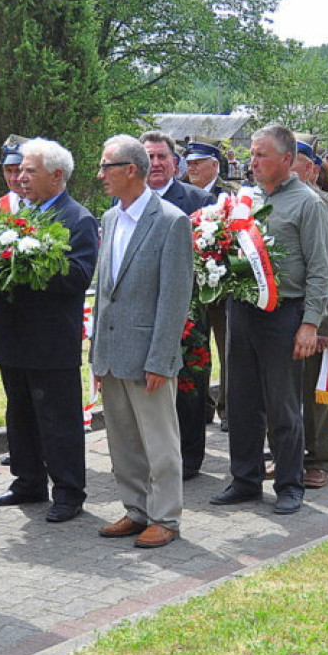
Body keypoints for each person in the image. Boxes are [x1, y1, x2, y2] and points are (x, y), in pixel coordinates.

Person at [212, 124, 328, 515]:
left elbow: (320, 270)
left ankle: (289, 483)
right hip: (241, 311)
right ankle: (245, 479)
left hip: (284, 314)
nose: (253, 162)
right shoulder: (246, 198)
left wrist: (311, 323)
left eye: (261, 155)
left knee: (283, 405)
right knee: (242, 401)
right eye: (251, 154)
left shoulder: (307, 204)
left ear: (286, 159)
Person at [0, 137, 98, 521]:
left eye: (30, 171)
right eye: (17, 170)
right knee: (20, 413)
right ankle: (27, 481)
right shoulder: (18, 213)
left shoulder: (78, 218)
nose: (20, 178)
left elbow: (80, 275)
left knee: (58, 419)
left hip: (50, 338)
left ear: (57, 176)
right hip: (14, 335)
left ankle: (68, 491)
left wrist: (33, 257)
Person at [91, 135, 193, 548]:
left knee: (159, 441)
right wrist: (97, 354)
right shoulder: (110, 218)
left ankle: (165, 516)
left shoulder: (170, 221)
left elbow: (174, 298)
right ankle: (135, 510)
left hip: (148, 354)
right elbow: (103, 292)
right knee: (123, 440)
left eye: (105, 167)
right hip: (113, 354)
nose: (100, 176)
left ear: (130, 170)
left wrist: (161, 358)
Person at [139, 130, 214, 481]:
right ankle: (148, 455)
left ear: (175, 163)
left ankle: (189, 457)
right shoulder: (126, 201)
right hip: (140, 310)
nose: (155, 163)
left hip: (188, 311)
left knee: (188, 384)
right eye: (148, 157)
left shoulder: (199, 201)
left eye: (161, 157)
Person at [291, 142, 328, 488]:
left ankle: (319, 458)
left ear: (312, 170)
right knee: (286, 392)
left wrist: (327, 324)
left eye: (295, 166)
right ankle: (290, 454)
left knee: (316, 392)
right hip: (280, 315)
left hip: (316, 315)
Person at [183, 140, 231, 431]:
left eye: (198, 162)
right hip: (191, 288)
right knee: (196, 348)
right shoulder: (182, 192)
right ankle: (202, 407)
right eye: (189, 162)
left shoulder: (229, 195)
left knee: (227, 349)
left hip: (222, 287)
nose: (192, 167)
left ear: (215, 164)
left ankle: (227, 409)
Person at [0, 134, 27, 217]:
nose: (13, 178)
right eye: (8, 171)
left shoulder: (46, 203)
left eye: (19, 170)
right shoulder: (0, 205)